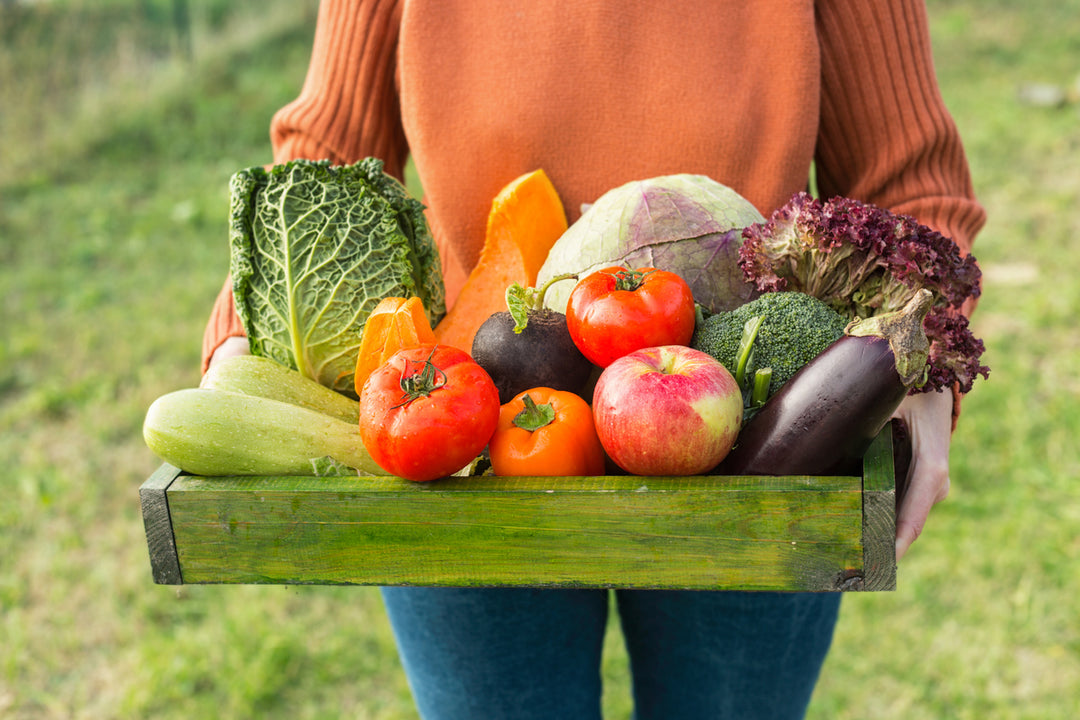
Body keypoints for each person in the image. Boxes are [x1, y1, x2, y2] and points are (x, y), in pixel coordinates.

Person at [202, 2, 985, 718]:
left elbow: (908, 180)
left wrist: (919, 355)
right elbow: (328, 154)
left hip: (761, 435)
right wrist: (254, 324)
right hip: (463, 433)